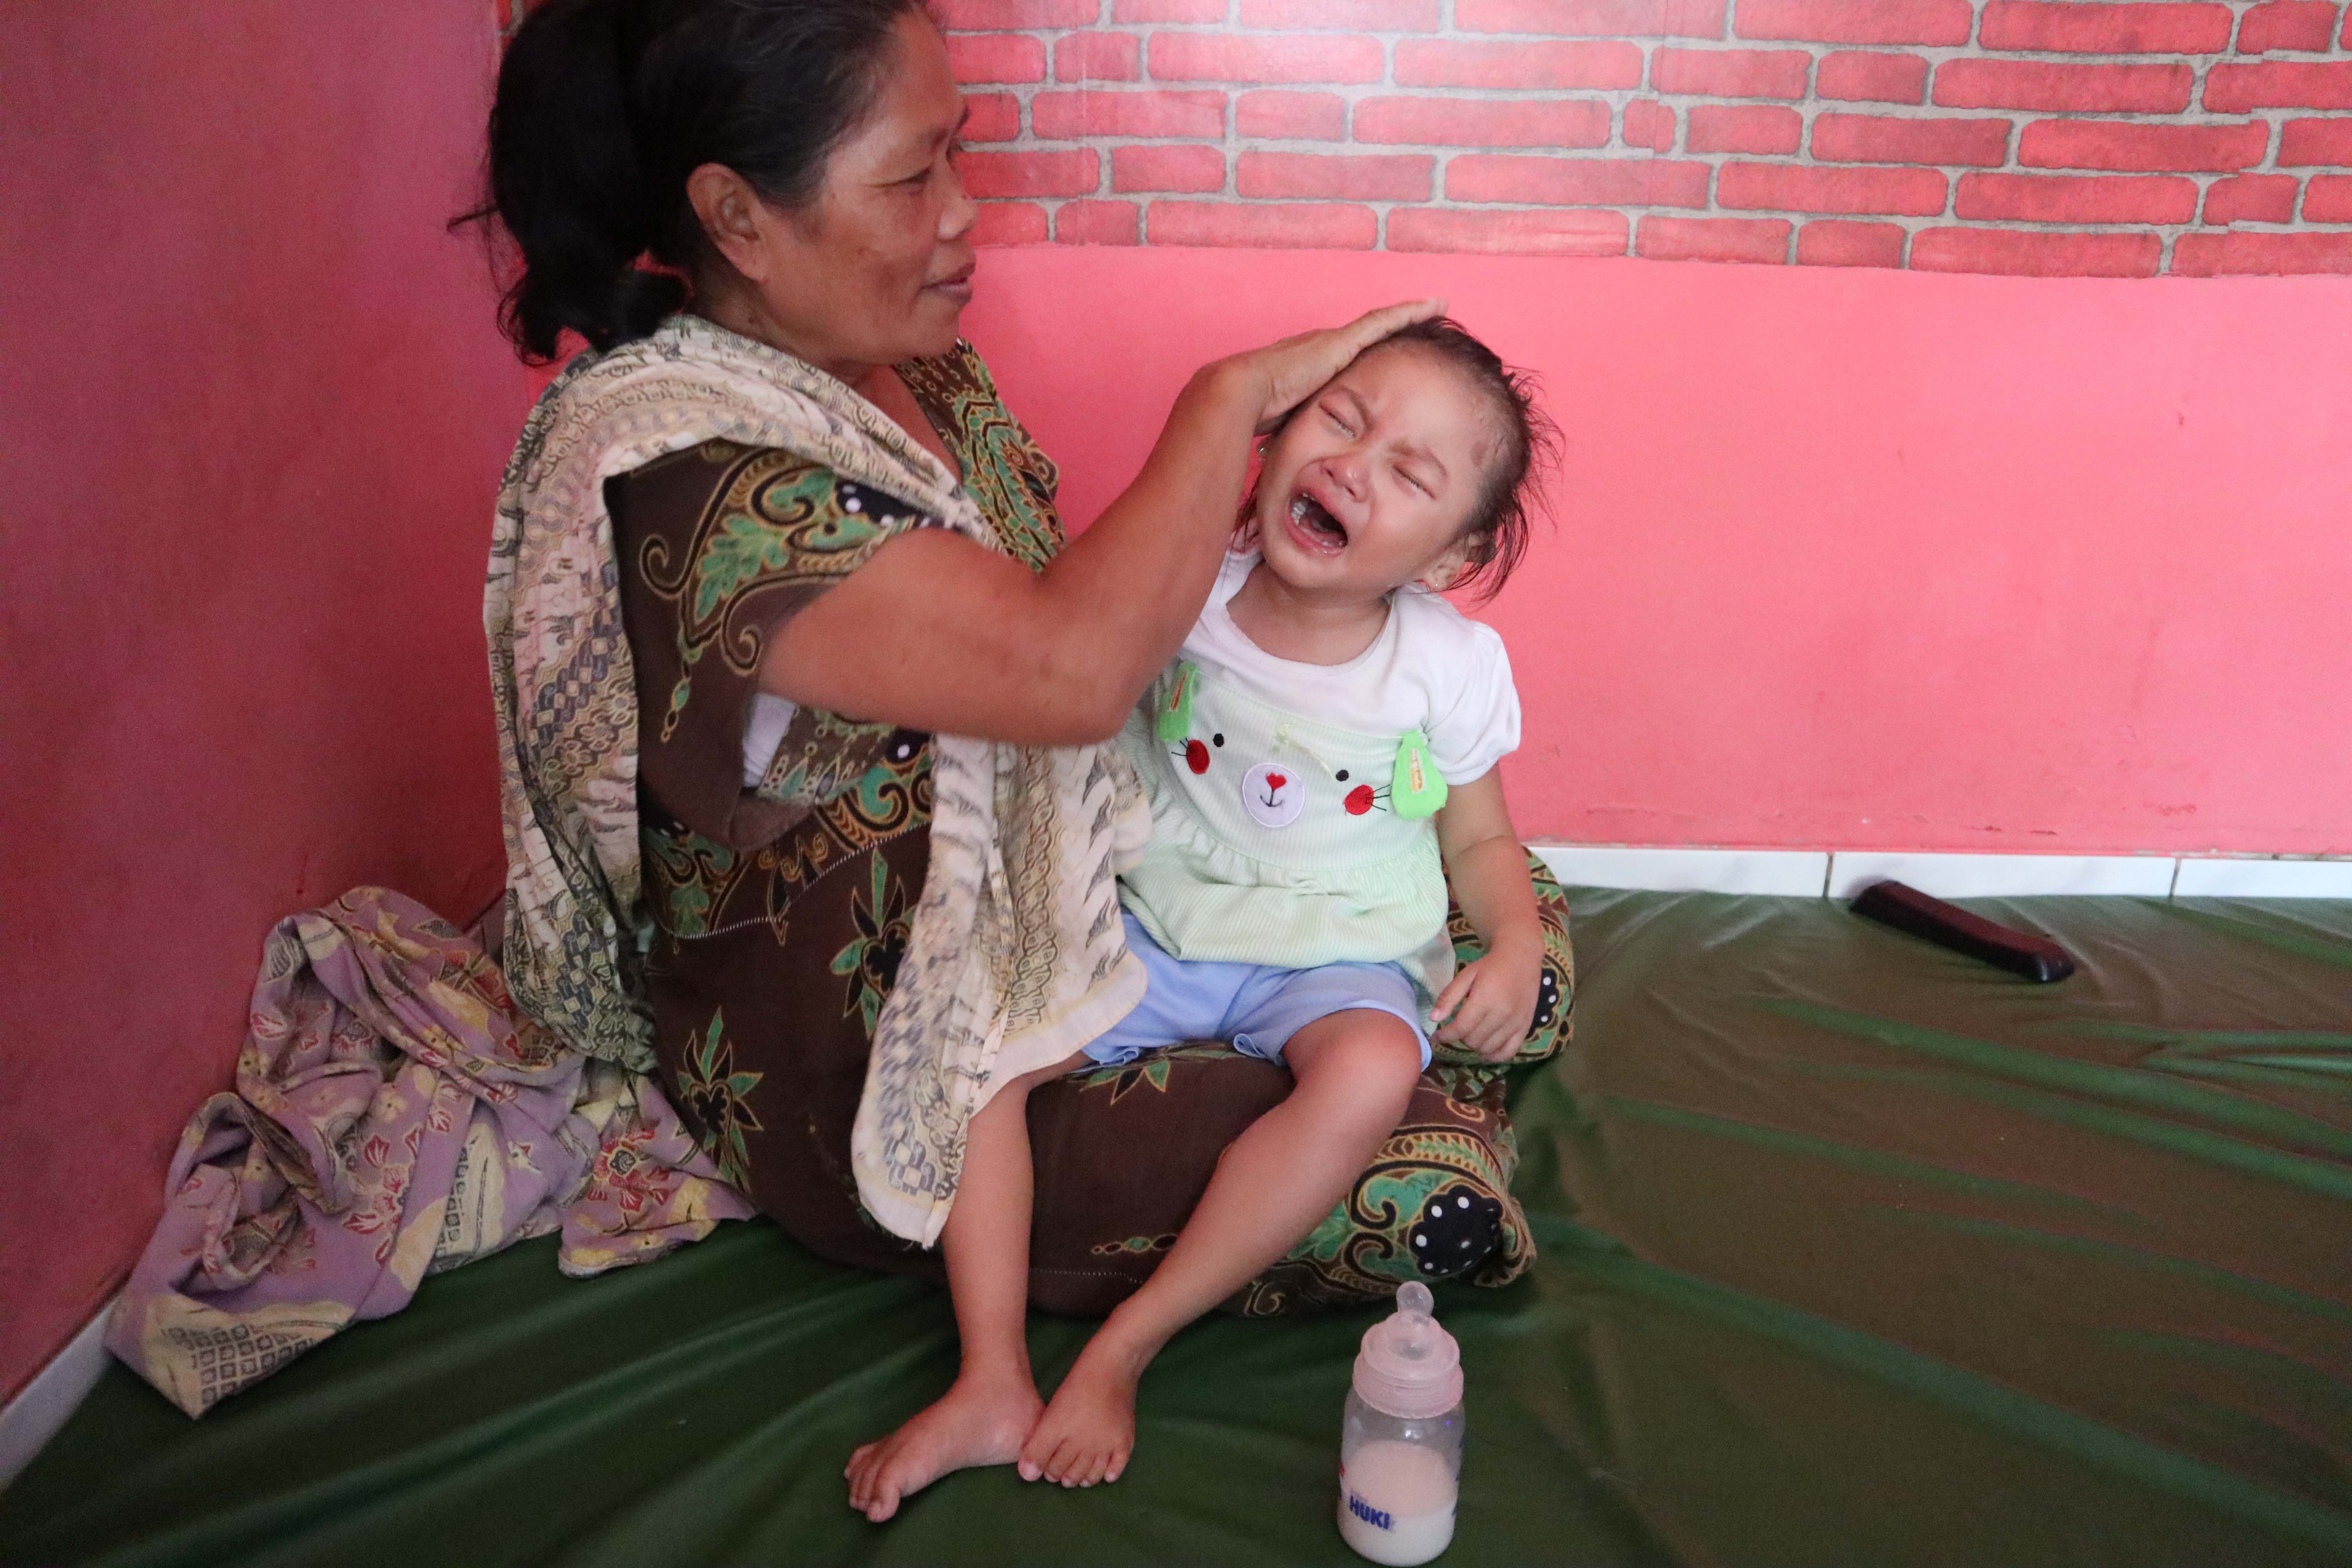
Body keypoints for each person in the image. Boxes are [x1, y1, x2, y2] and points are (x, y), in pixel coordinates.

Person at [474, 0, 1441, 1522]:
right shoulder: (703, 486)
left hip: (1045, 913)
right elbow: (1067, 670)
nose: (963, 215)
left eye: (961, 157)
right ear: (736, 216)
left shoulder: (908, 368)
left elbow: (1070, 622)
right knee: (1377, 1124)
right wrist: (1227, 401)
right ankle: (1027, 1346)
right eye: (913, 175)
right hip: (869, 1041)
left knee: (1397, 967)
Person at [848, 317, 1552, 1517]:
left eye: (1409, 473)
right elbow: (1052, 672)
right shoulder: (1185, 589)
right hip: (1155, 925)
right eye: (1341, 420)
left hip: (1335, 948)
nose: (1352, 466)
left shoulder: (1446, 666)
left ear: (1450, 555)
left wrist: (1520, 940)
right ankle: (991, 1378)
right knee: (974, 1048)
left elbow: (1482, 840)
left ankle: (1130, 1342)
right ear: (1271, 432)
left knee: (1375, 1065)